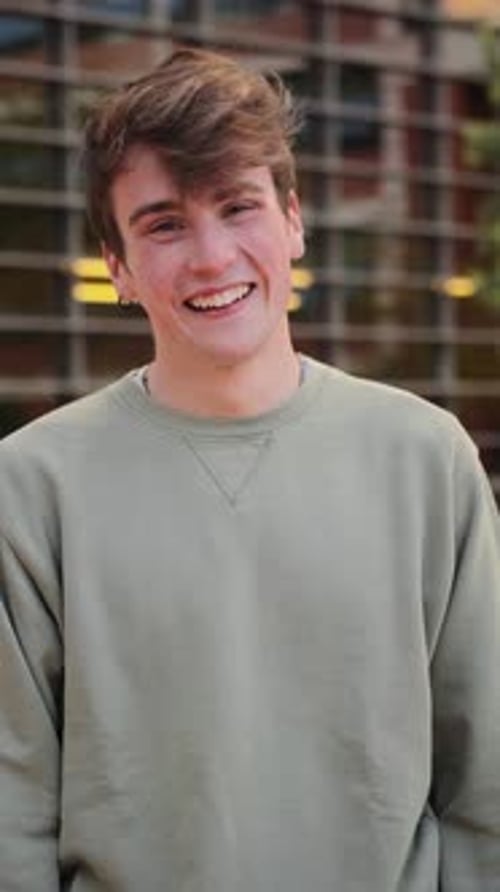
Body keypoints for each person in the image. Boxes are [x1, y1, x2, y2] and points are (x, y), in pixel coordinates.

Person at [0, 47, 499, 892]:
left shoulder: (425, 459)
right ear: (117, 265)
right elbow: (11, 806)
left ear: (294, 220)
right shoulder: (30, 487)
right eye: (163, 224)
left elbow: (484, 781)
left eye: (238, 207)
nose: (211, 256)